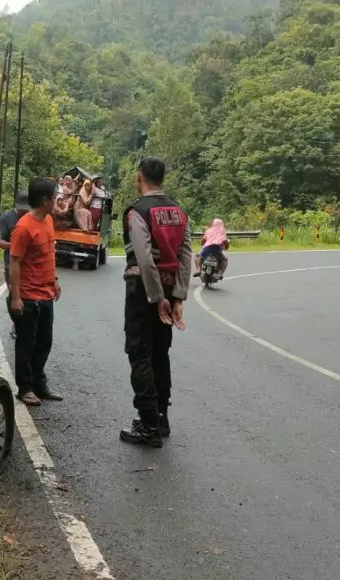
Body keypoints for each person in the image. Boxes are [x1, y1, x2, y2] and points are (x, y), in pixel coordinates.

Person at [119, 157, 192, 448]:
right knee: (161, 354)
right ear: (162, 178)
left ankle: (148, 424)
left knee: (140, 353)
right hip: (169, 287)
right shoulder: (178, 210)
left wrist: (156, 298)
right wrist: (177, 296)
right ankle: (161, 418)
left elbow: (145, 258)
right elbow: (186, 255)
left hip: (143, 291)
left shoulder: (137, 211)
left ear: (139, 177)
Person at [8, 178, 63, 406]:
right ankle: (25, 387)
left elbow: (49, 254)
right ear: (45, 200)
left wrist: (55, 280)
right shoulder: (23, 227)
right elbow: (15, 263)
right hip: (29, 298)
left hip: (47, 294)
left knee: (44, 343)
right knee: (26, 344)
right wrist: (17, 297)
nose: (58, 201)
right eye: (55, 197)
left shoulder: (48, 220)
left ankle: (39, 384)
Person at [0, 190, 31, 338]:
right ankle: (16, 322)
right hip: (10, 263)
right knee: (14, 294)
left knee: (28, 295)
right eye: (22, 209)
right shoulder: (6, 218)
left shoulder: (32, 217)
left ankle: (24, 324)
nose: (24, 212)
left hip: (28, 263)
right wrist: (15, 245)